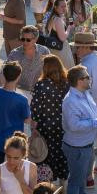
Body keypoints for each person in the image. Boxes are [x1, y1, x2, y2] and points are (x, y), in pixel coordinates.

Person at [61, 65, 97, 194]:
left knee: (83, 178)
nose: (89, 79)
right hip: (77, 148)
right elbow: (74, 125)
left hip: (87, 144)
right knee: (75, 181)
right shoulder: (71, 101)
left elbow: (91, 115)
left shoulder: (85, 93)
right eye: (87, 77)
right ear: (79, 81)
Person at [72, 31, 97, 180]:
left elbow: (84, 89)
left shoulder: (84, 66)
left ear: (86, 47)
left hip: (89, 110)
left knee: (87, 144)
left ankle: (88, 178)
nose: (77, 51)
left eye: (78, 47)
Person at [30, 54, 69, 184]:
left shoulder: (41, 85)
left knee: (46, 154)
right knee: (61, 153)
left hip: (45, 127)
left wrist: (33, 128)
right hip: (63, 125)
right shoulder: (67, 83)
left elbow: (35, 108)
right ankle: (63, 184)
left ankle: (49, 184)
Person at [0, 62, 31, 163]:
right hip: (15, 142)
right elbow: (27, 120)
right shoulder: (22, 99)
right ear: (18, 77)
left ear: (3, 75)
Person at [4, 27, 51, 97]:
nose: (25, 42)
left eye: (28, 40)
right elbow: (5, 72)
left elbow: (51, 70)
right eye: (23, 39)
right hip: (20, 92)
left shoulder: (44, 51)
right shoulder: (14, 54)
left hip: (39, 91)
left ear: (36, 39)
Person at [42, 0, 75, 67]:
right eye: (62, 6)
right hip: (60, 50)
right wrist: (69, 28)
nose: (64, 8)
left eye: (65, 6)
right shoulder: (58, 20)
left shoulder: (53, 17)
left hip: (54, 48)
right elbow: (62, 38)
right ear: (56, 7)